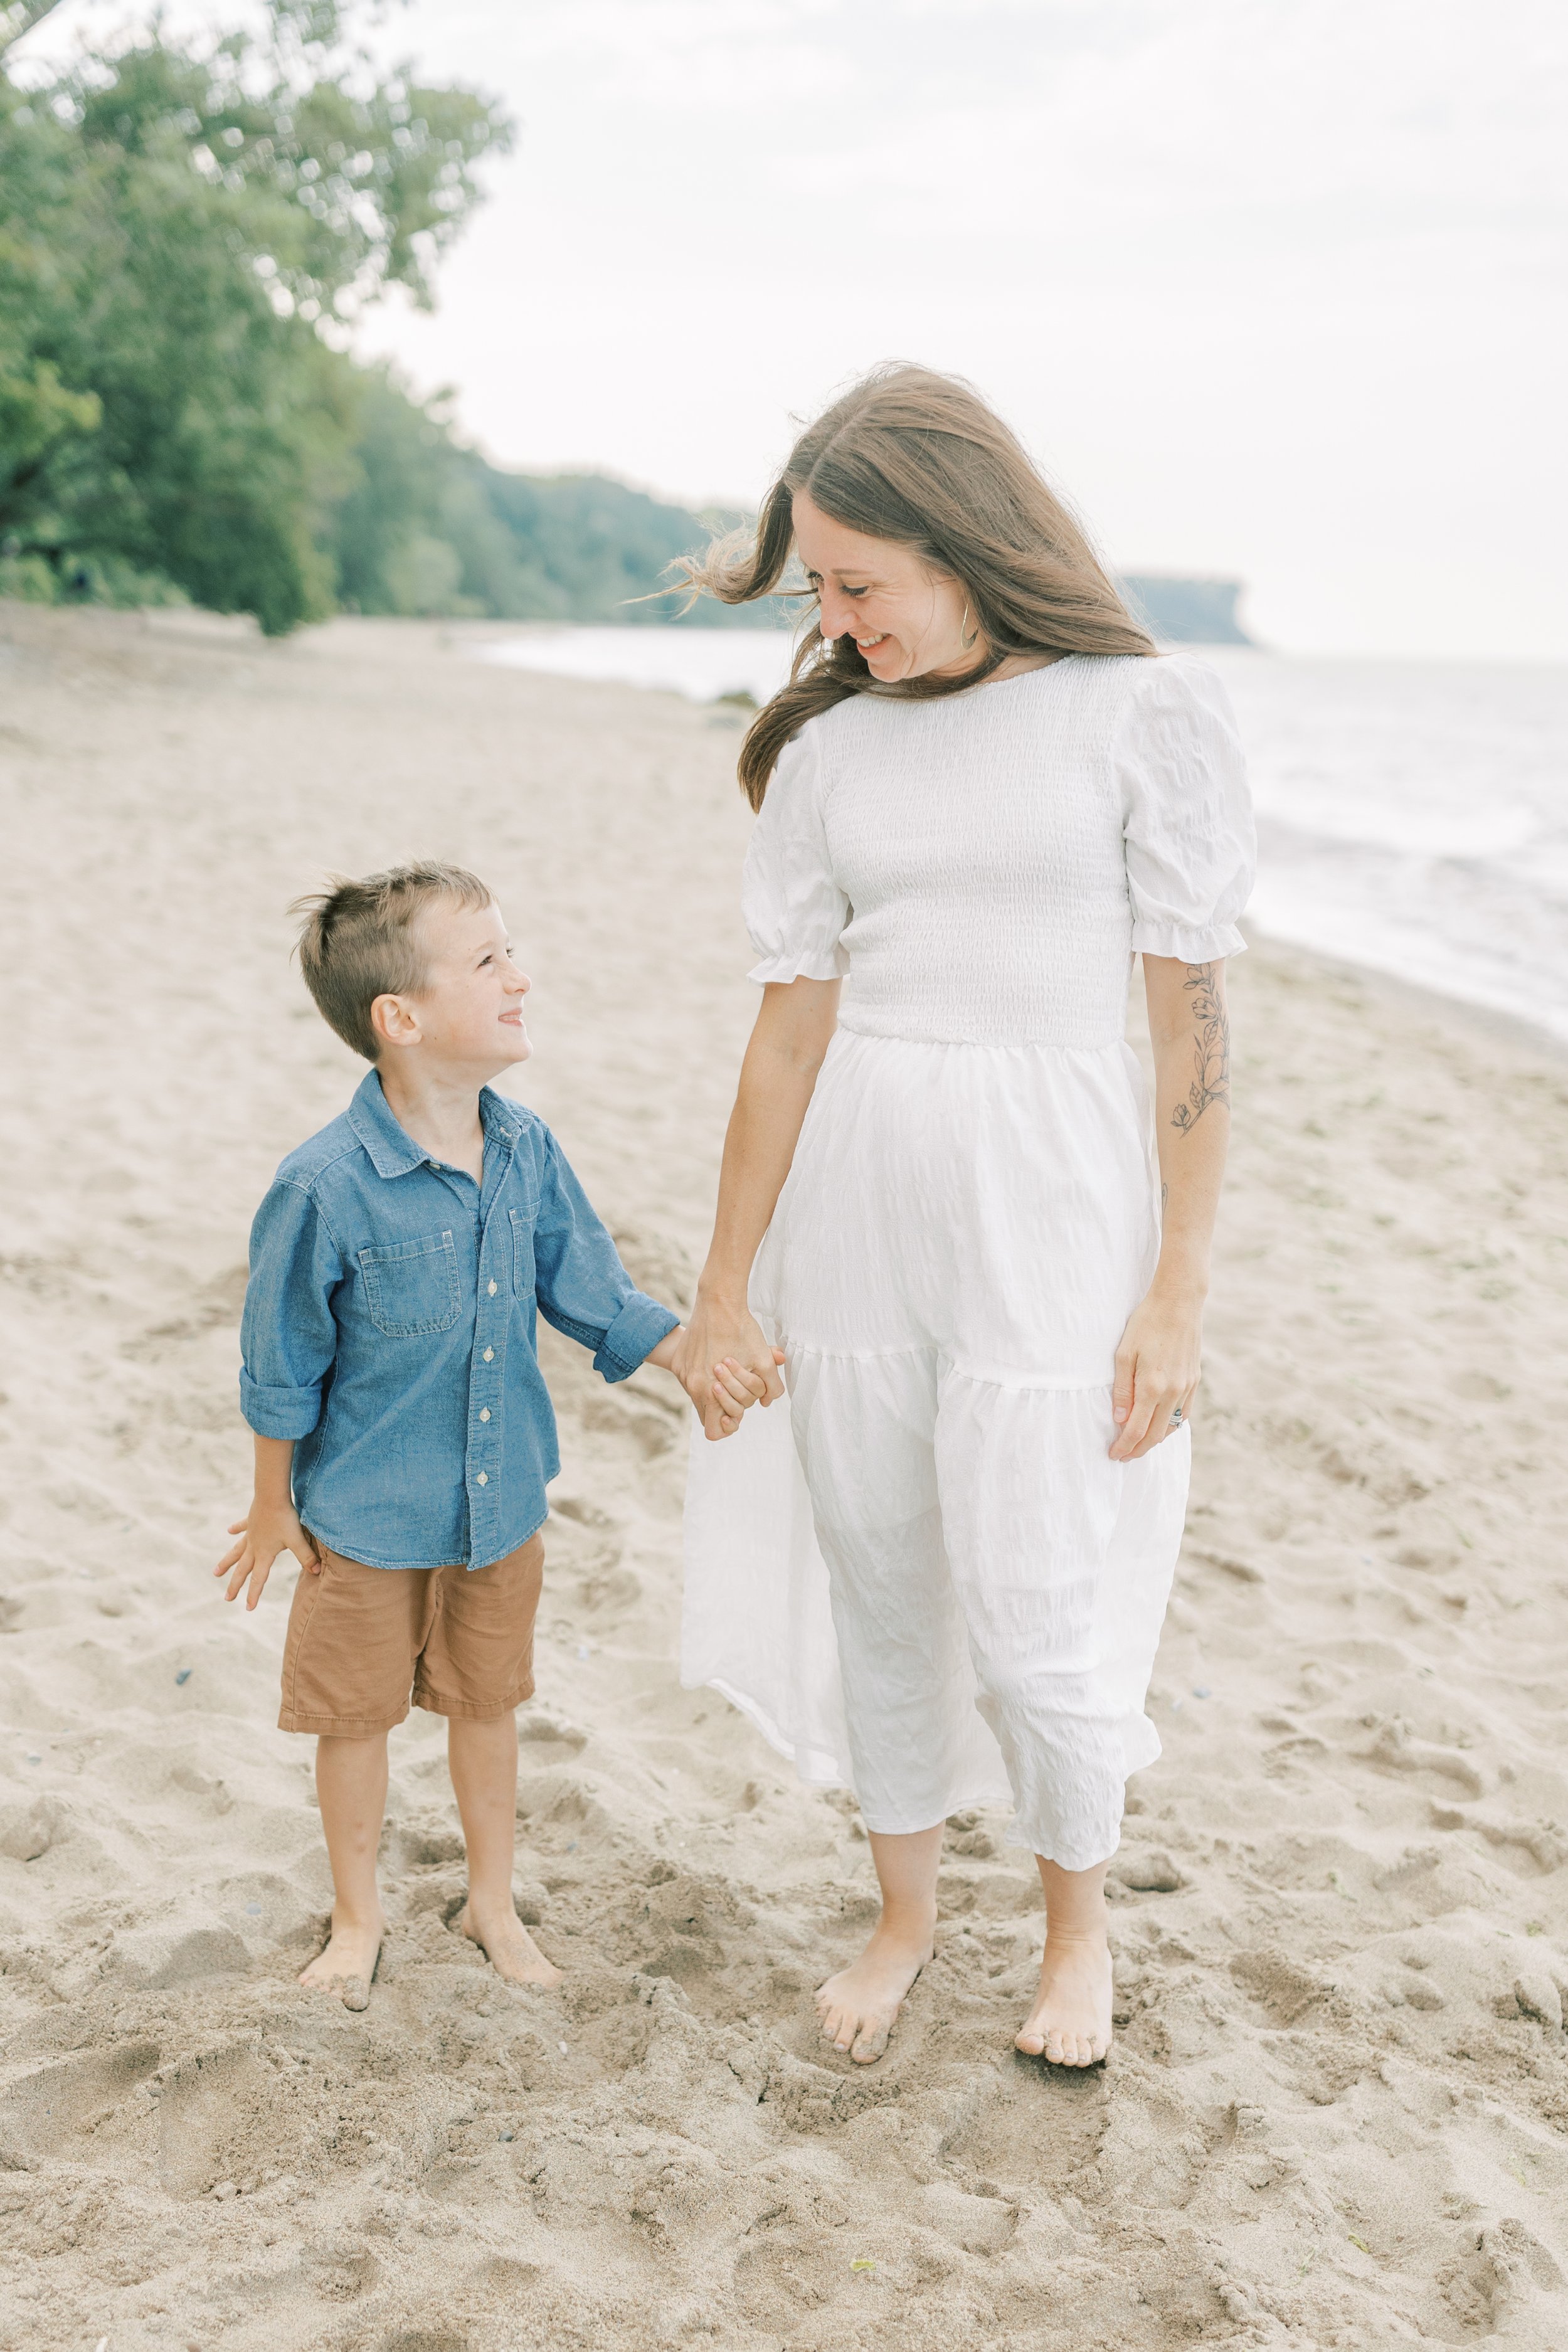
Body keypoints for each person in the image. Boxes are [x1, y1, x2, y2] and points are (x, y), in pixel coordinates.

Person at [677, 366, 1254, 2069]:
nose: (838, 621)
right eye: (816, 591)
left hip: (1060, 1211)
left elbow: (1191, 1027)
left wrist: (1178, 1287)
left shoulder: (1136, 714)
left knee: (1044, 1585)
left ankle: (1076, 1934)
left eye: (862, 584)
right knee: (881, 1568)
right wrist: (723, 1287)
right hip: (861, 1203)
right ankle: (906, 1912)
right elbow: (784, 1036)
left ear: (968, 542)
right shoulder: (831, 756)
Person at [216, 862, 761, 2007]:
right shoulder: (323, 1185)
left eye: (512, 952)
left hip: (501, 1499)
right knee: (354, 1718)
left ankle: (490, 1899)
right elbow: (280, 1364)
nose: (523, 977)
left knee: (487, 1701)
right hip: (362, 1514)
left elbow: (593, 1290)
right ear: (400, 1019)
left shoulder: (526, 1151)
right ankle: (357, 1917)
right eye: (489, 961)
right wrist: (273, 1502)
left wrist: (687, 1361)